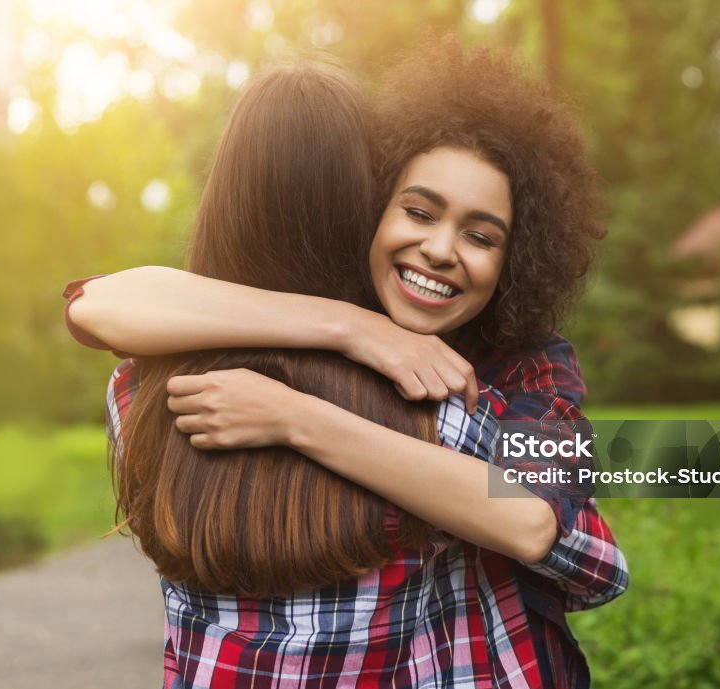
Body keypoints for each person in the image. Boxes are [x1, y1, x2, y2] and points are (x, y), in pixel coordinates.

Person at [67, 41, 627, 688]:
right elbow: (95, 302)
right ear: (366, 211)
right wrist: (351, 326)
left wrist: (296, 418)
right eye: (417, 210)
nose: (440, 249)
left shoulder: (522, 367)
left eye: (480, 235)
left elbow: (534, 519)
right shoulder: (449, 414)